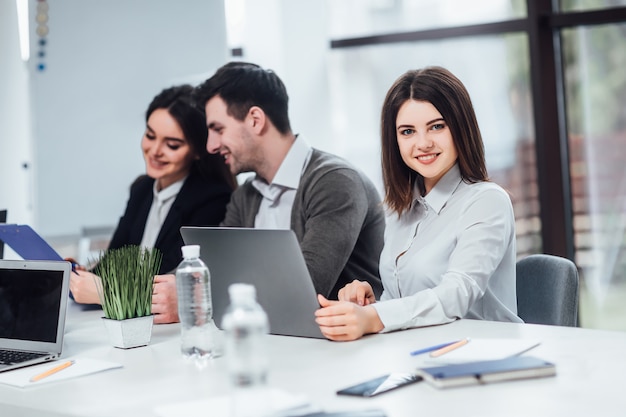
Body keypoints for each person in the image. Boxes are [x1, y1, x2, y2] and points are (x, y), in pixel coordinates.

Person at [315, 66, 522, 341]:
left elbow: (455, 294)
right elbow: (403, 305)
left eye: (436, 126)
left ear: (461, 128)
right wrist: (369, 305)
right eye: (407, 131)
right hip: (417, 357)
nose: (422, 143)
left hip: (482, 359)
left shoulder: (486, 201)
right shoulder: (399, 210)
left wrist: (375, 318)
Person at [70, 85, 237, 324]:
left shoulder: (213, 199)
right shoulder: (142, 189)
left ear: (198, 151)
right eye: (150, 136)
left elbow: (172, 282)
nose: (155, 151)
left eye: (172, 145)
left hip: (164, 328)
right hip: (126, 322)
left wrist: (103, 290)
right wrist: (83, 276)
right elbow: (115, 260)